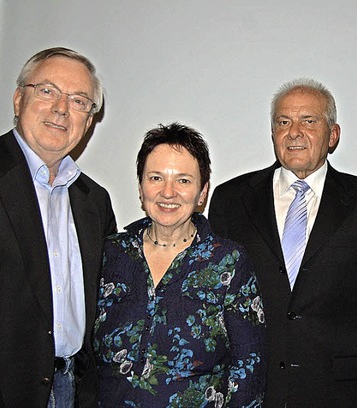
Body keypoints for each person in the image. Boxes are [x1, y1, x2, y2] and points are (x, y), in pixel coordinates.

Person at [209, 78, 357, 407]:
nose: (294, 132)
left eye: (309, 121)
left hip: (342, 396)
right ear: (273, 133)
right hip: (250, 395)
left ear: (333, 135)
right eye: (283, 122)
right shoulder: (230, 200)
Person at [0, 47, 116, 407]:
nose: (61, 108)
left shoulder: (95, 201)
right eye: (47, 90)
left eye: (78, 101)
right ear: (17, 99)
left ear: (88, 121)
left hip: (71, 390)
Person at [94, 123, 265, 407]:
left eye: (183, 180)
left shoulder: (228, 261)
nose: (168, 192)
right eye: (156, 178)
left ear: (202, 193)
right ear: (140, 188)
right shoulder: (110, 253)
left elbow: (248, 370)